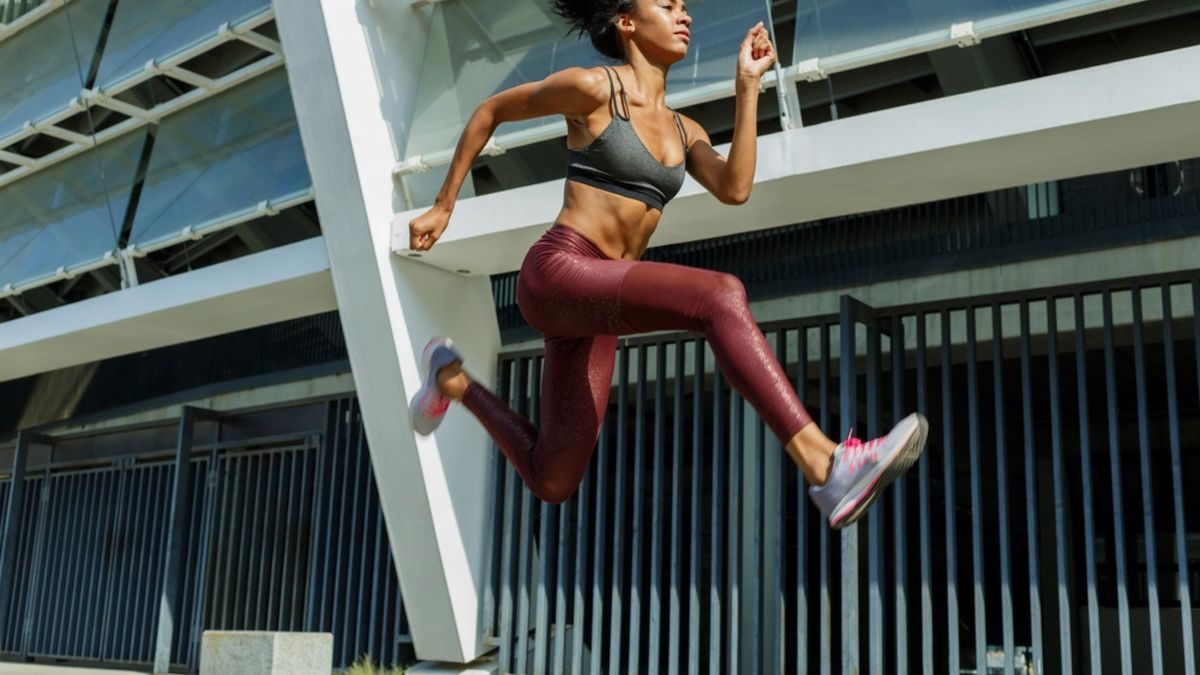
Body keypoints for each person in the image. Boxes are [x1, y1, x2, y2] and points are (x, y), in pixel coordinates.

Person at [405, 0, 927, 529]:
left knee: (554, 480)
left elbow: (734, 188)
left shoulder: (685, 130)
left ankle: (452, 380)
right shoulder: (593, 89)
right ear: (627, 24)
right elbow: (491, 110)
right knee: (719, 294)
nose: (685, 15)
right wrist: (445, 205)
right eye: (668, 5)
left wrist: (747, 87)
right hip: (559, 270)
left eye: (685, 8)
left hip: (598, 307)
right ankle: (826, 462)